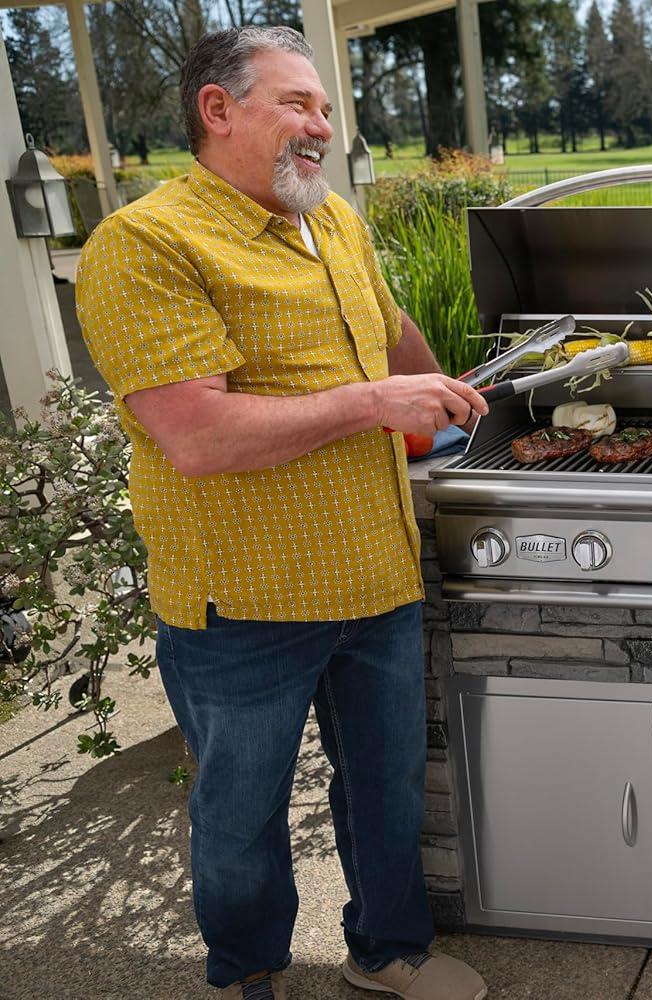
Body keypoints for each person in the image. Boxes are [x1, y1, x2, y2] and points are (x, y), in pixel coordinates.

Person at [76, 26, 490, 1000]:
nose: (321, 125)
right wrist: (371, 406)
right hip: (244, 603)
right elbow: (198, 435)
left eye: (324, 108)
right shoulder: (146, 244)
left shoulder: (332, 219)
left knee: (386, 792)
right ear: (217, 112)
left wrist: (445, 393)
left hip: (376, 575)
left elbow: (389, 337)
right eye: (297, 104)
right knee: (241, 817)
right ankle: (247, 972)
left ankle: (386, 950)